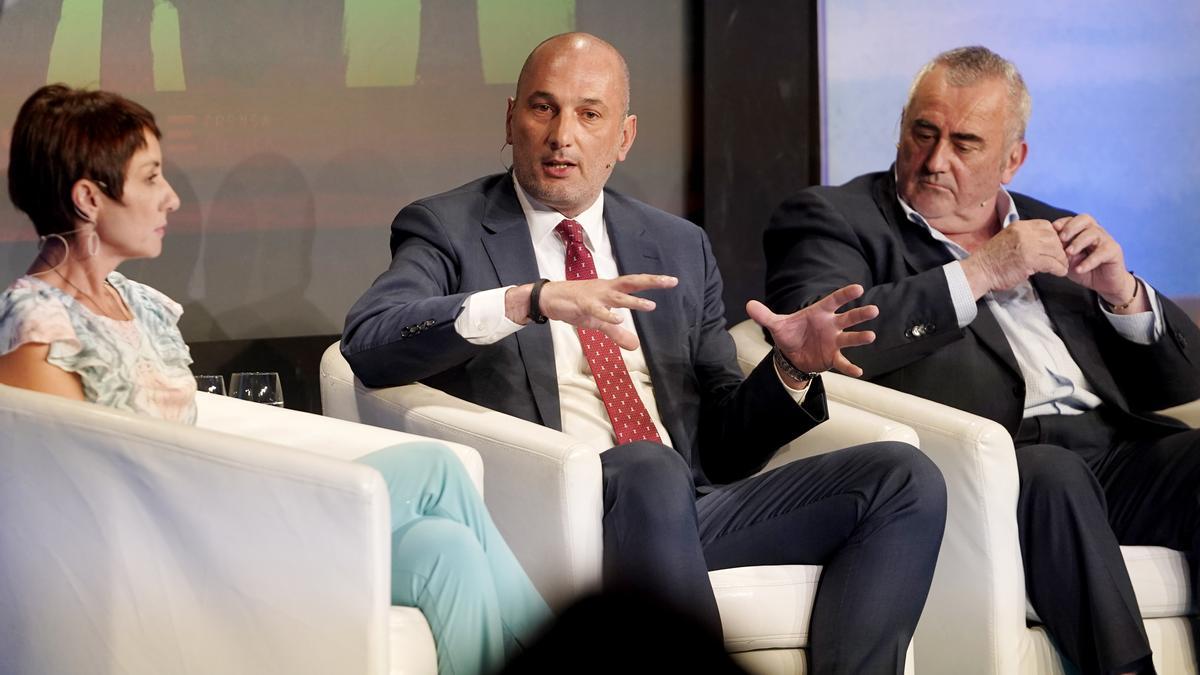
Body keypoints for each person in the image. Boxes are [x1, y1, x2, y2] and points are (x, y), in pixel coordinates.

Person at [342, 32, 946, 673]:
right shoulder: (450, 227)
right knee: (650, 468)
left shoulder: (675, 245)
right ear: (511, 119)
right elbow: (371, 342)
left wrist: (790, 367)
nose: (562, 136)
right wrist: (529, 300)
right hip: (560, 502)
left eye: (589, 114)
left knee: (904, 476)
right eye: (544, 108)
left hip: (686, 505)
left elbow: (723, 446)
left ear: (623, 138)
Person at [0, 84, 550, 675]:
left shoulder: (134, 300)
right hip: (190, 552)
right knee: (441, 521)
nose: (172, 199)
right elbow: (76, 520)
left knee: (448, 538)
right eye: (151, 178)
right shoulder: (39, 334)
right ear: (88, 197)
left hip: (223, 514)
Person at [764, 46, 1200, 675]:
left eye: (965, 143)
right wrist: (982, 272)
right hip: (991, 462)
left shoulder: (1057, 227)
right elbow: (820, 334)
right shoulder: (835, 218)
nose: (935, 160)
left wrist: (1122, 292)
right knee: (1052, 474)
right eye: (923, 133)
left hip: (1112, 451)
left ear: (1012, 158)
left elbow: (1178, 384)